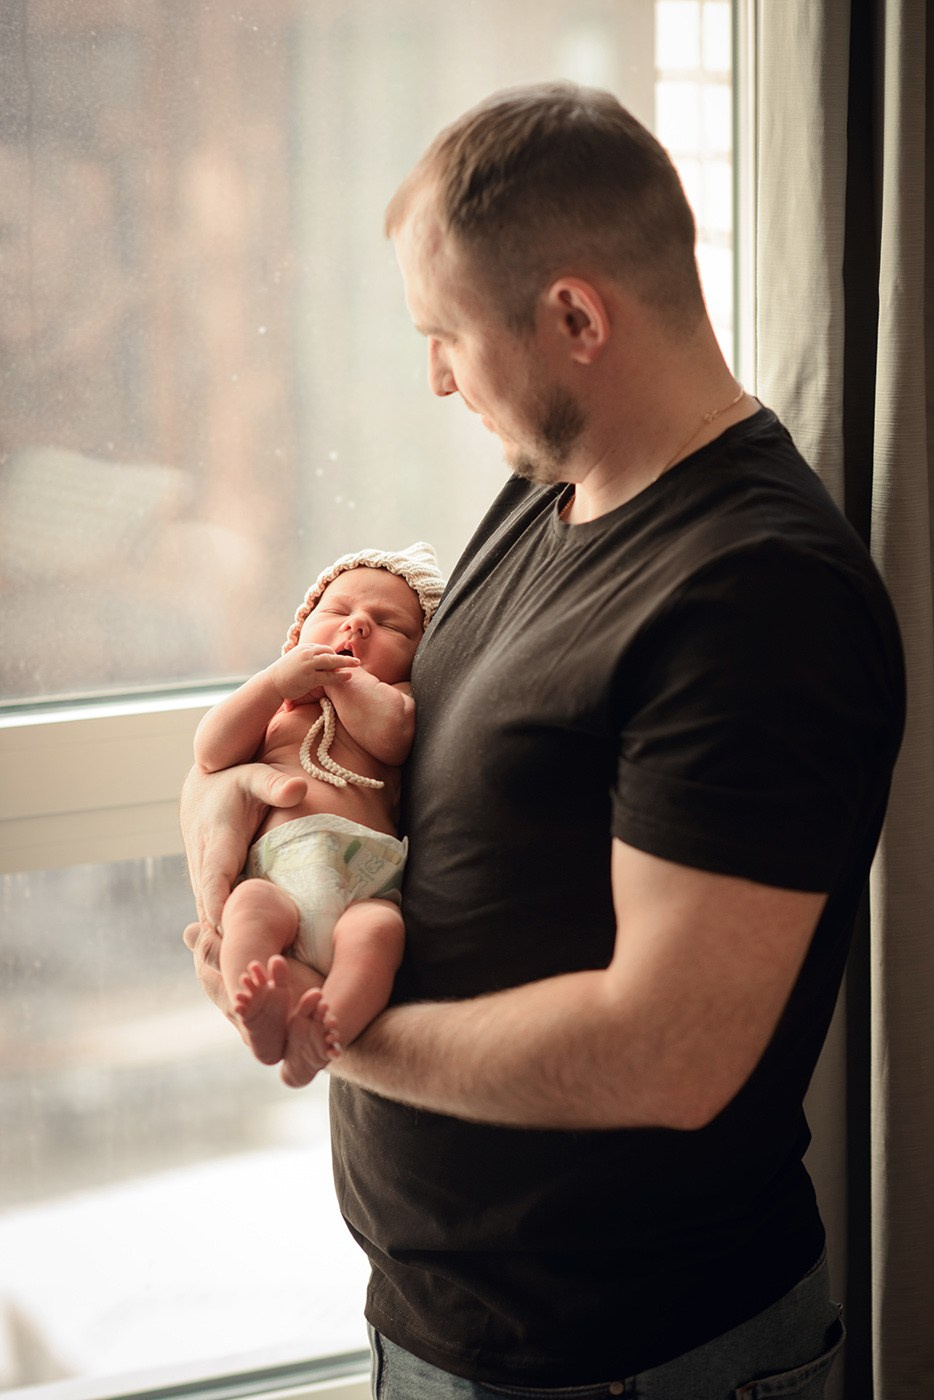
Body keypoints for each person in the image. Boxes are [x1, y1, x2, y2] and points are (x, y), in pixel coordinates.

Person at [183, 83, 906, 1397]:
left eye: (446, 334)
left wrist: (331, 1029)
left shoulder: (756, 599)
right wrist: (228, 828)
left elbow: (669, 1052)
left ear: (574, 316)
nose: (436, 374)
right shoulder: (545, 491)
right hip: (445, 1330)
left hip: (638, 1361)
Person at [192, 542, 443, 1074]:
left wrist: (344, 676)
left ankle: (328, 1029)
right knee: (249, 908)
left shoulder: (391, 697)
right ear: (302, 628)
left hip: (364, 875)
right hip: (278, 873)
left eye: (389, 625)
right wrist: (275, 682)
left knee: (378, 932)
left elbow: (393, 738)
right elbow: (212, 750)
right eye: (337, 612)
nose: (356, 628)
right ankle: (259, 1010)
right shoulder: (278, 704)